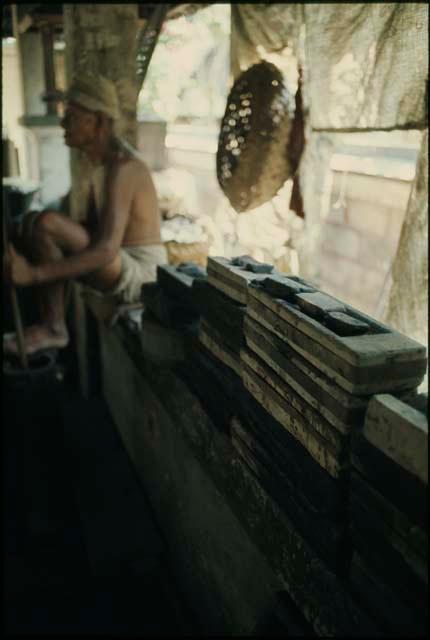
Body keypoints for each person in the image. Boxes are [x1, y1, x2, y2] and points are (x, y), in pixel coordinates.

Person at [3, 74, 168, 356]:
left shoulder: (124, 168)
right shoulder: (100, 167)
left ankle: (54, 328)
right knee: (35, 223)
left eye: (71, 116)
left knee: (45, 223)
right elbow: (92, 229)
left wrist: (34, 274)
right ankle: (51, 325)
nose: (63, 124)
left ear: (99, 121)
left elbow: (105, 250)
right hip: (120, 261)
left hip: (142, 273)